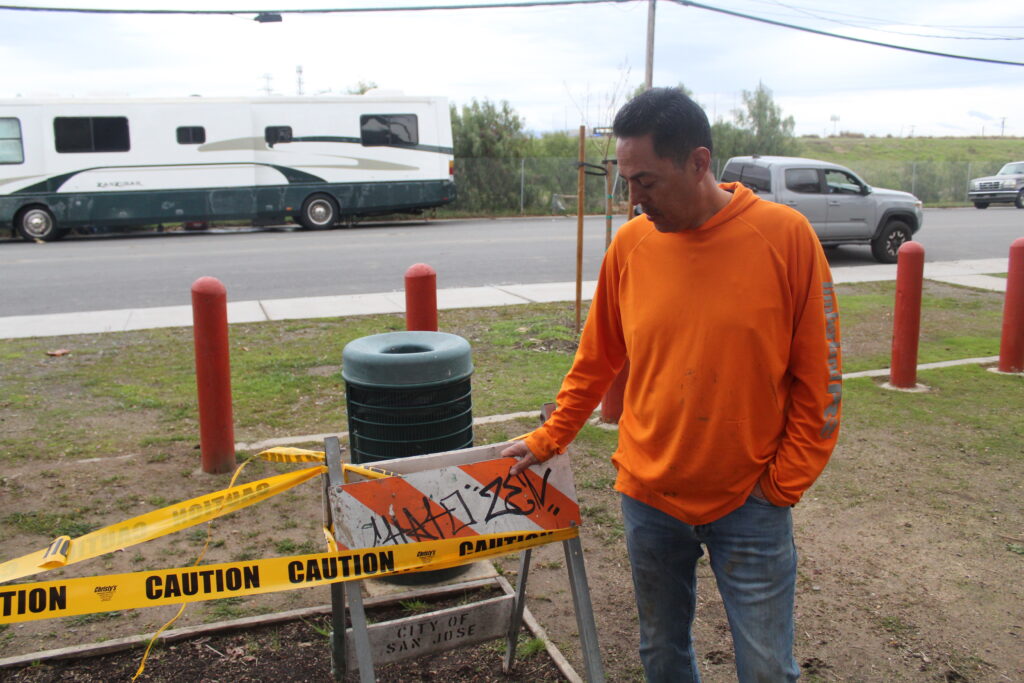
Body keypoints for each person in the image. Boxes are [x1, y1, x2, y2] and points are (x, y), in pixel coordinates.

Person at [502, 87, 842, 682]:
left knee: (767, 669)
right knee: (661, 653)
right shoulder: (631, 245)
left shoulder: (785, 238)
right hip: (648, 498)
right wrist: (548, 439)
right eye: (625, 182)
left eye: (647, 182)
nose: (633, 200)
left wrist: (782, 485)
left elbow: (821, 381)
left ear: (699, 162)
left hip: (750, 500)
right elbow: (595, 359)